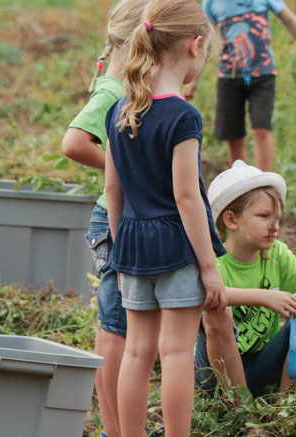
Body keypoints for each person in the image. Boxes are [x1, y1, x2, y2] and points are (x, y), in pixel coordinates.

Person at [103, 1, 227, 435]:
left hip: (133, 245)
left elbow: (113, 191)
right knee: (175, 353)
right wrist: (209, 267)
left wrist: (120, 254)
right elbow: (187, 197)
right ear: (195, 46)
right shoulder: (182, 115)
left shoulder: (118, 110)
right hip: (176, 245)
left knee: (137, 352)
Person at [60, 1, 149, 435]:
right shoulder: (112, 91)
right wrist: (126, 167)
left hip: (118, 218)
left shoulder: (118, 86)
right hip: (112, 222)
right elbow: (74, 142)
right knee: (116, 331)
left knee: (113, 329)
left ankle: (114, 426)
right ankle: (115, 429)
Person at [194, 160, 296, 397]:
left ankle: (287, 403)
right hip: (214, 377)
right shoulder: (212, 259)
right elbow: (203, 295)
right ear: (231, 220)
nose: (275, 226)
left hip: (262, 365)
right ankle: (241, 409)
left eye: (277, 218)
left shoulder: (275, 254)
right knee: (217, 312)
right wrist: (264, 297)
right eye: (263, 216)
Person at [201, 0, 296, 171]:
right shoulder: (211, 2)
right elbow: (203, 40)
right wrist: (192, 80)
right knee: (234, 137)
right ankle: (241, 182)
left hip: (263, 75)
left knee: (261, 130)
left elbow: (290, 20)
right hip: (229, 78)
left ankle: (264, 183)